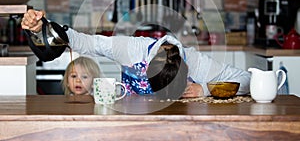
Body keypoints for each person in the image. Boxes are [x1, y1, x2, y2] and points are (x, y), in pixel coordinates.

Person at [22, 9, 251, 98]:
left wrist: (205, 88)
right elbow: (86, 42)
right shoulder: (132, 49)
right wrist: (41, 27)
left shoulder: (197, 62)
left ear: (186, 70)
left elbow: (247, 80)